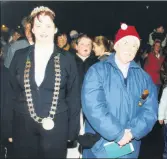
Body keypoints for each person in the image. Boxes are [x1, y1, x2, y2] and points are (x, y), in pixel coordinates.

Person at [2, 6, 80, 158]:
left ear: (55, 29)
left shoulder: (67, 58)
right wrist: (7, 128)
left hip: (57, 126)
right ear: (32, 29)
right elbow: (10, 93)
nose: (43, 30)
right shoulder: (19, 56)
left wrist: (72, 130)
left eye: (48, 26)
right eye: (38, 25)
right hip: (22, 125)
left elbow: (73, 95)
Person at [81, 23, 158, 158]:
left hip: (129, 147)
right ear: (116, 45)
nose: (130, 48)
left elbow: (149, 109)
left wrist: (133, 132)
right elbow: (93, 107)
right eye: (126, 43)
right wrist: (118, 133)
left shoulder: (144, 78)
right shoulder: (97, 71)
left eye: (134, 45)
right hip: (101, 147)